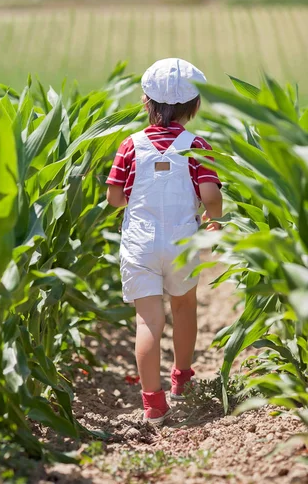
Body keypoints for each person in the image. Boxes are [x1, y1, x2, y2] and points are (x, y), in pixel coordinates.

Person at [106, 58, 222, 425]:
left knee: (147, 322)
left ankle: (153, 403)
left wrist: (132, 200)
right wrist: (213, 219)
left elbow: (114, 197)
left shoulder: (130, 145)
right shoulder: (196, 145)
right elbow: (209, 192)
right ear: (194, 105)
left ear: (146, 101)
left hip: (140, 242)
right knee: (185, 307)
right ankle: (182, 379)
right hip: (181, 242)